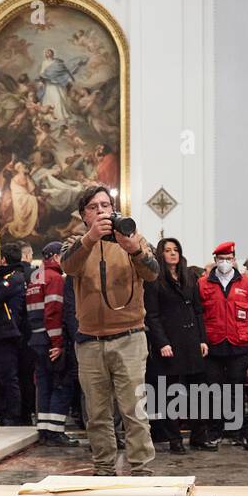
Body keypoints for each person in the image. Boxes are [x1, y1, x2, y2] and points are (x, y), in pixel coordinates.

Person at [59, 185, 159, 476]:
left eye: (106, 205)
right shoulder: (75, 243)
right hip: (90, 341)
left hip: (130, 337)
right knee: (97, 413)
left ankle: (141, 468)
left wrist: (134, 250)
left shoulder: (133, 238)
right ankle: (103, 466)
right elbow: (68, 265)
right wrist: (91, 238)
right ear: (84, 215)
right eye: (94, 207)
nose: (102, 210)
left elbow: (152, 273)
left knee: (134, 410)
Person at [144, 237, 207, 454]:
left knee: (197, 391)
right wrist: (161, 343)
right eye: (168, 250)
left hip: (191, 341)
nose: (172, 253)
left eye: (176, 249)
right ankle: (175, 439)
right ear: (161, 254)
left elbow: (198, 310)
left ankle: (199, 437)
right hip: (170, 343)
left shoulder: (189, 276)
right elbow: (151, 315)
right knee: (170, 394)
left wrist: (202, 339)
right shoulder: (154, 278)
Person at [195, 242, 248, 451]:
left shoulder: (246, 283)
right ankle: (215, 431)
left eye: (228, 258)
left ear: (234, 259)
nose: (224, 262)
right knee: (213, 390)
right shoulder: (203, 283)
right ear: (215, 261)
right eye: (221, 259)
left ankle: (237, 430)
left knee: (235, 388)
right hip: (213, 344)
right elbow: (199, 314)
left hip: (239, 344)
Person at [26, 241, 78, 446]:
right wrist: (57, 342)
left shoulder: (35, 277)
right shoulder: (55, 278)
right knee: (61, 383)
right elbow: (53, 312)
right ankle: (55, 432)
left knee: (44, 384)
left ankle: (45, 430)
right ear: (56, 257)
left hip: (36, 338)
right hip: (50, 339)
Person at [0, 242, 29, 425]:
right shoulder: (12, 276)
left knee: (9, 376)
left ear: (3, 259)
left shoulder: (13, 279)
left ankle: (14, 415)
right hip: (7, 333)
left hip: (8, 333)